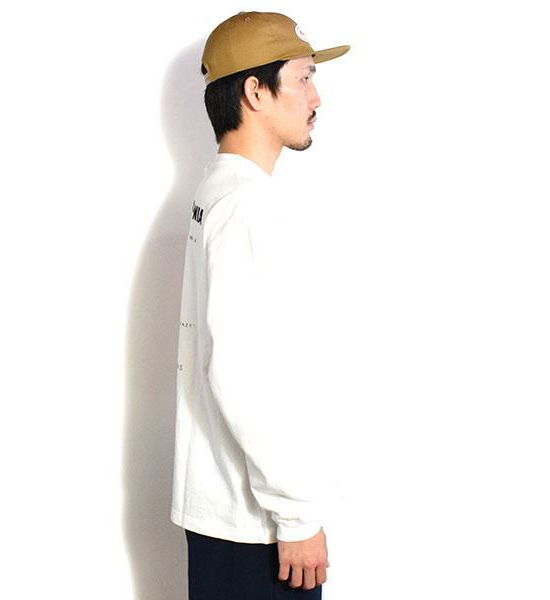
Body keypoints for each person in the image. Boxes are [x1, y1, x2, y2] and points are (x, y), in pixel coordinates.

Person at [170, 11, 350, 599]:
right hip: (259, 530)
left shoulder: (218, 190)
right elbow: (242, 375)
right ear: (254, 90)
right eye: (303, 78)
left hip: (232, 517)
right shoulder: (246, 207)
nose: (316, 97)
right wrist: (296, 516)